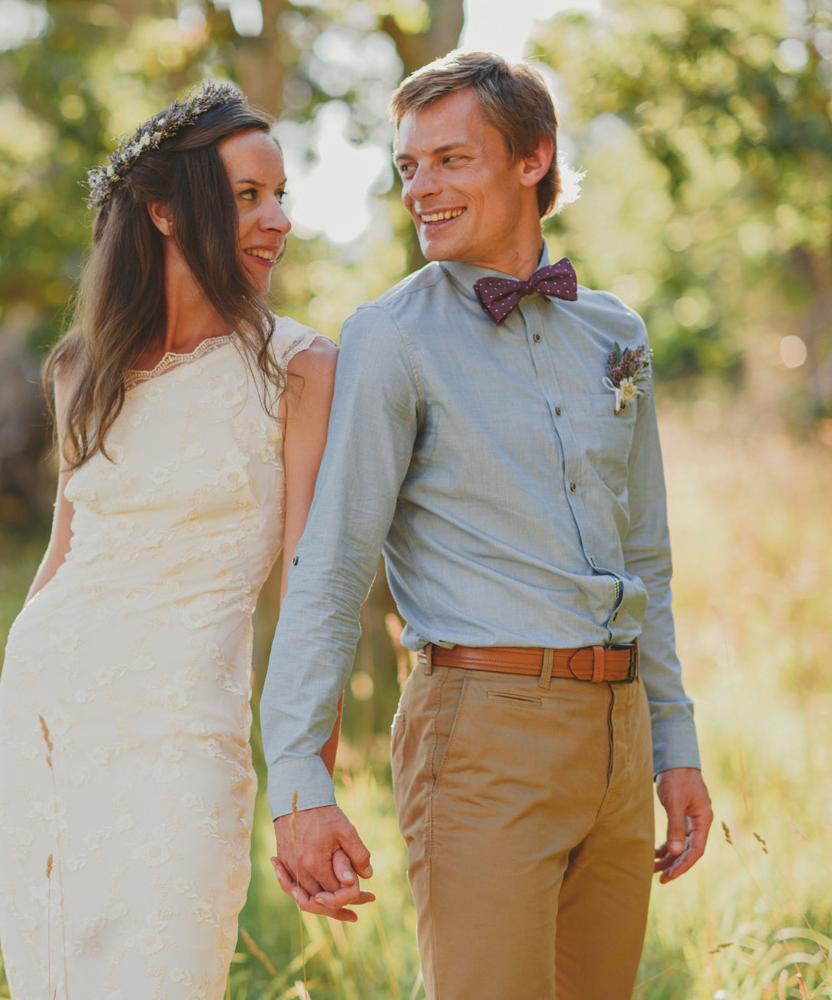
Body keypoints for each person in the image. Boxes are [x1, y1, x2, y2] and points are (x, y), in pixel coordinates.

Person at [261, 51, 714, 999]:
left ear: (532, 159)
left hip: (621, 736)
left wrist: (674, 746)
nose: (421, 189)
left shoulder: (616, 333)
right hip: (481, 734)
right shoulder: (393, 337)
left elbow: (647, 559)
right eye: (408, 168)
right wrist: (299, 774)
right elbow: (336, 558)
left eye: (450, 160)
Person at [0, 82, 365, 999]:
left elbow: (313, 587)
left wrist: (309, 783)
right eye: (249, 195)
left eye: (281, 194)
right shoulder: (82, 371)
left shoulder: (301, 370)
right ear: (167, 211)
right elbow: (57, 563)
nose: (278, 219)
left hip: (183, 747)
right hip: (45, 737)